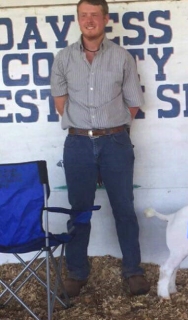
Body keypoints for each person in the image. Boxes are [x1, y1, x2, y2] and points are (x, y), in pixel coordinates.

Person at [50, 0, 150, 297]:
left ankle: (133, 271)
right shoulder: (64, 58)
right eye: (84, 15)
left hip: (115, 143)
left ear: (105, 19)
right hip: (78, 143)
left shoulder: (121, 57)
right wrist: (89, 128)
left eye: (95, 15)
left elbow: (133, 103)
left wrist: (111, 128)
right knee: (79, 212)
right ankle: (77, 273)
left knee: (124, 210)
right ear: (78, 19)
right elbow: (60, 104)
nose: (89, 20)